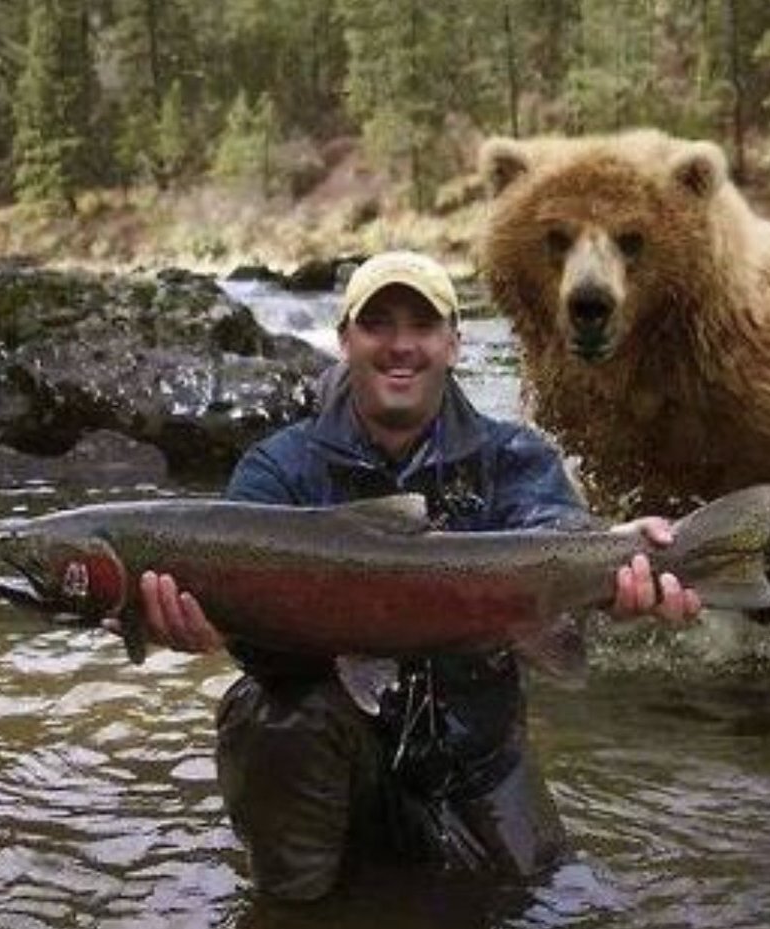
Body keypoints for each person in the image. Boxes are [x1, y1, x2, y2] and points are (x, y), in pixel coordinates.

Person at [126, 251, 701, 901]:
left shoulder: (514, 458)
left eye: (422, 327)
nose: (401, 345)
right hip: (340, 757)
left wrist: (620, 562)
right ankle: (295, 900)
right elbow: (263, 648)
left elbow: (557, 536)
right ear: (344, 340)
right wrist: (212, 627)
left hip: (478, 764)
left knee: (556, 906)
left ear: (454, 343)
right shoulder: (276, 472)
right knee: (269, 714)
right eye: (377, 324)